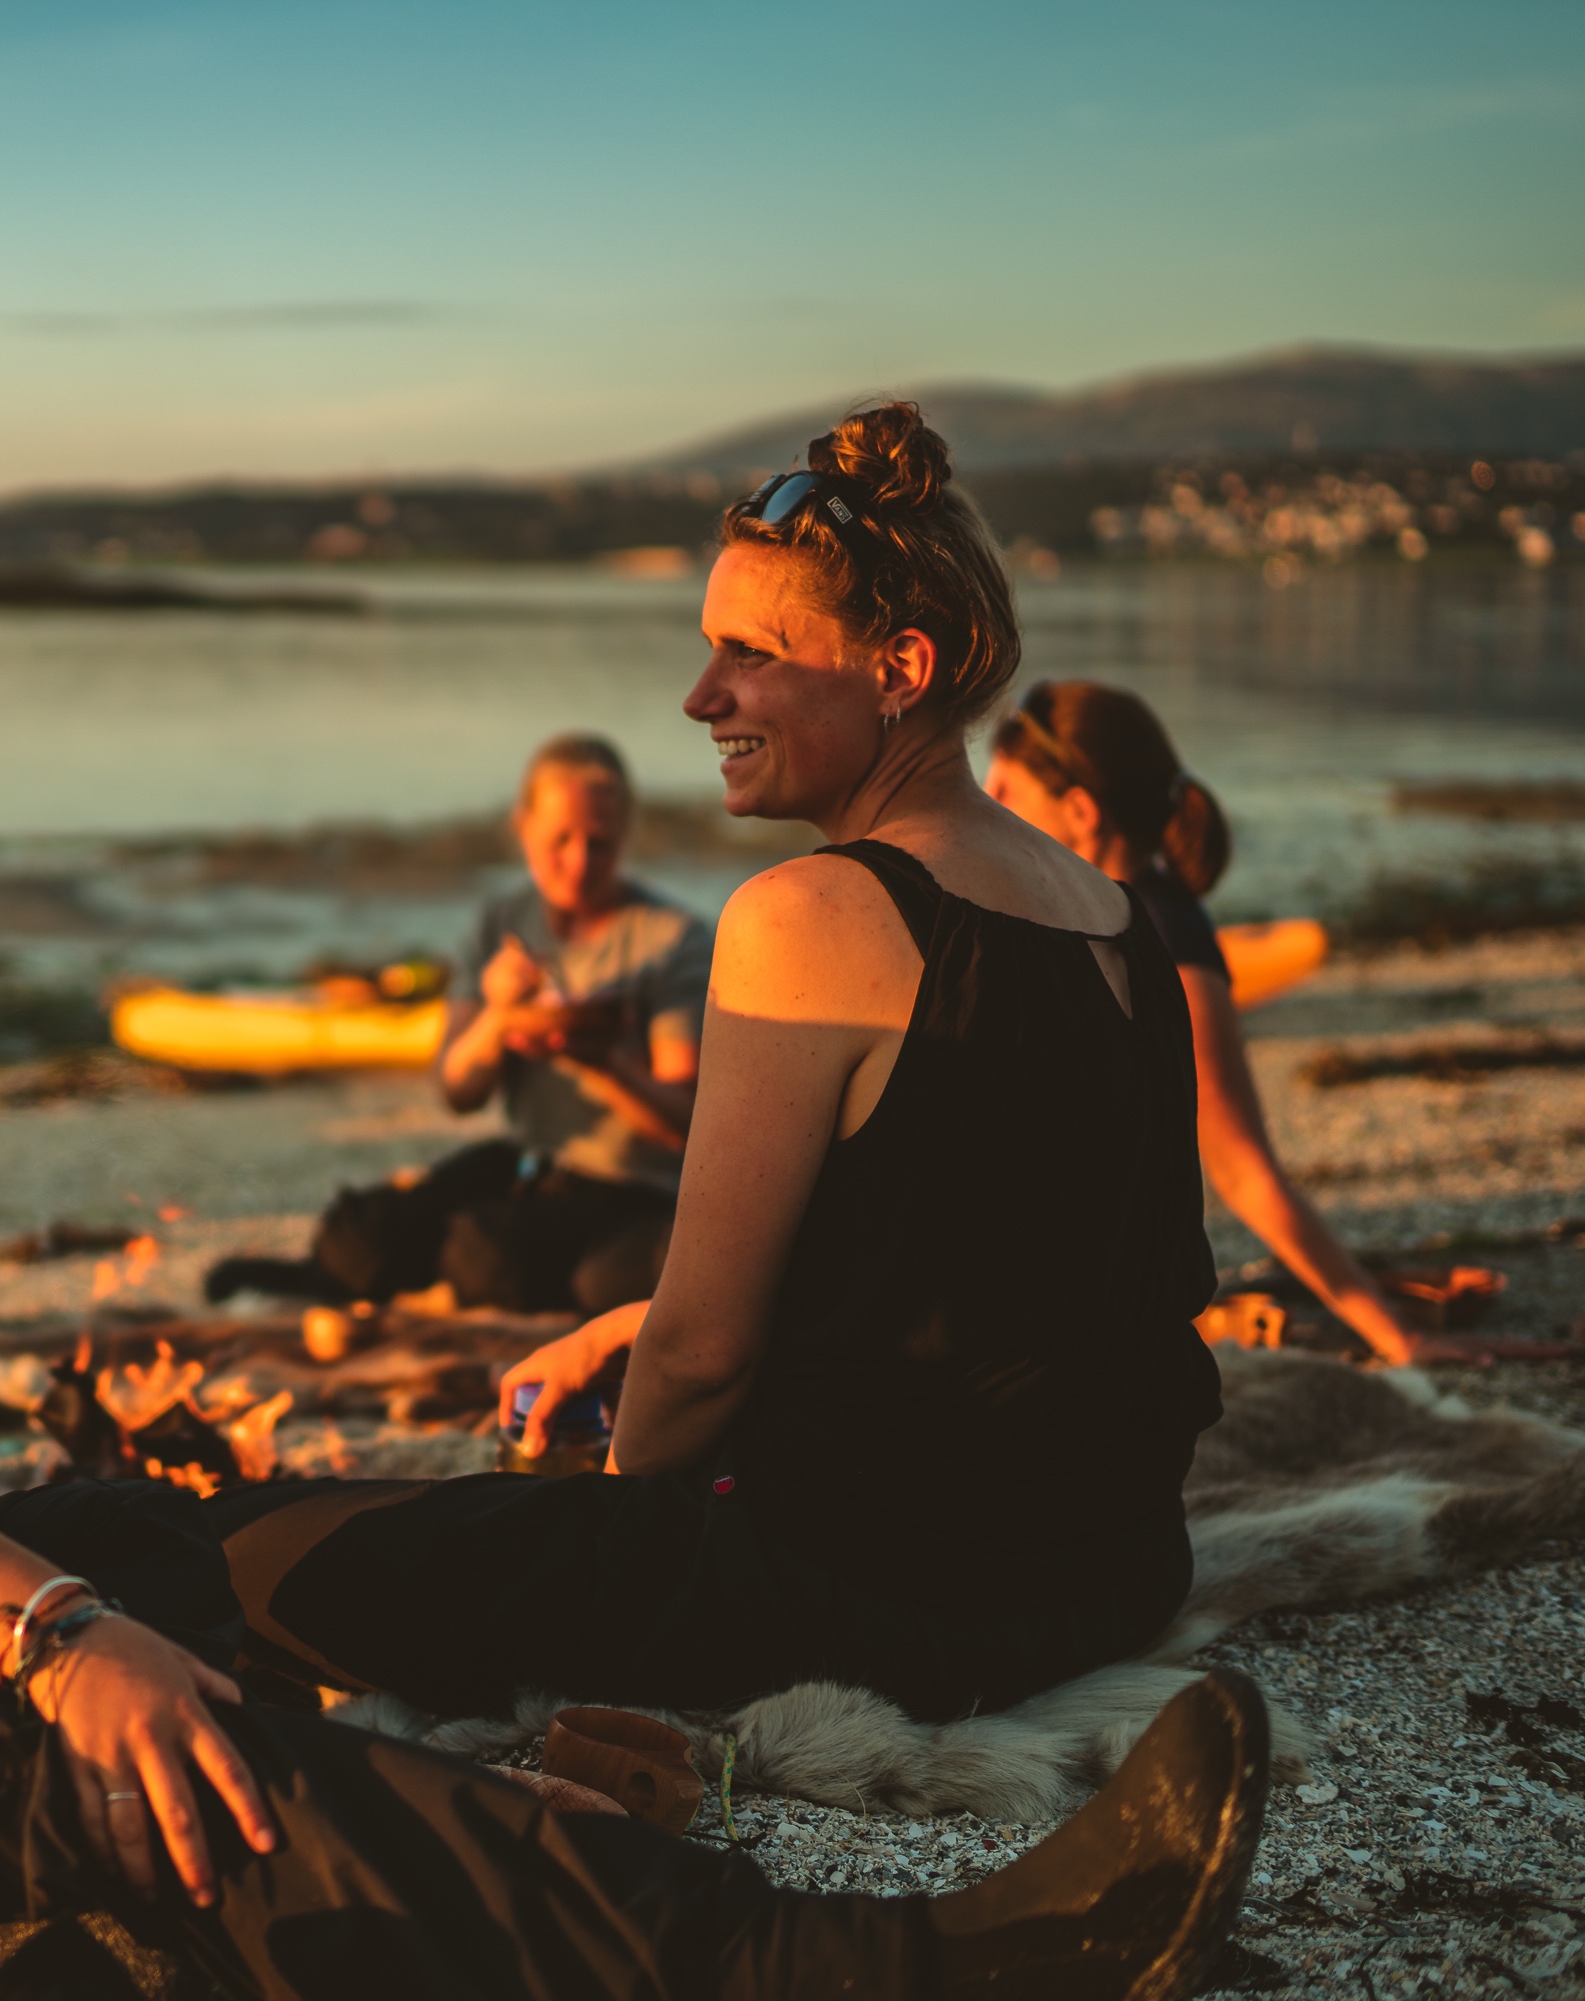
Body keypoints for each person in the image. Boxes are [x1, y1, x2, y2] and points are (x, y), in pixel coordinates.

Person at [0, 572, 1269, 2001]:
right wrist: (52, 1639)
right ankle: (884, 1968)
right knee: (151, 1727)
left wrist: (73, 1585)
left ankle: (433, 1726)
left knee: (172, 1544)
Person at [211, 404, 1232, 1741]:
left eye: (749, 655)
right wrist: (636, 1327)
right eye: (708, 652)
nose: (701, 699)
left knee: (255, 1563)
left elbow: (702, 1360)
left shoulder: (809, 918)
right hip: (1110, 1573)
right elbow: (1022, 1273)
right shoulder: (1112, 921)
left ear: (898, 668)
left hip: (879, 1602)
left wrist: (619, 1506)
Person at [986, 682, 1581, 1369]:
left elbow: (1244, 1170)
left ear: (1081, 812)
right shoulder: (1089, 919)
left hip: (1076, 1305)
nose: (987, 815)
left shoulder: (1163, 943)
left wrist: (1399, 1338)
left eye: (1004, 795)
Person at [206, 737, 709, 1316]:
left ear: (626, 836)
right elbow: (458, 1092)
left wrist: (600, 1063)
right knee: (363, 1237)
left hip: (629, 1189)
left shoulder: (672, 940)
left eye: (601, 844)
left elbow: (687, 1125)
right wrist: (498, 1019)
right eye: (560, 841)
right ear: (523, 828)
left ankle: (437, 1279)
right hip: (530, 1164)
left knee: (488, 1256)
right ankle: (352, 1276)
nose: (579, 862)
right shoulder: (502, 922)